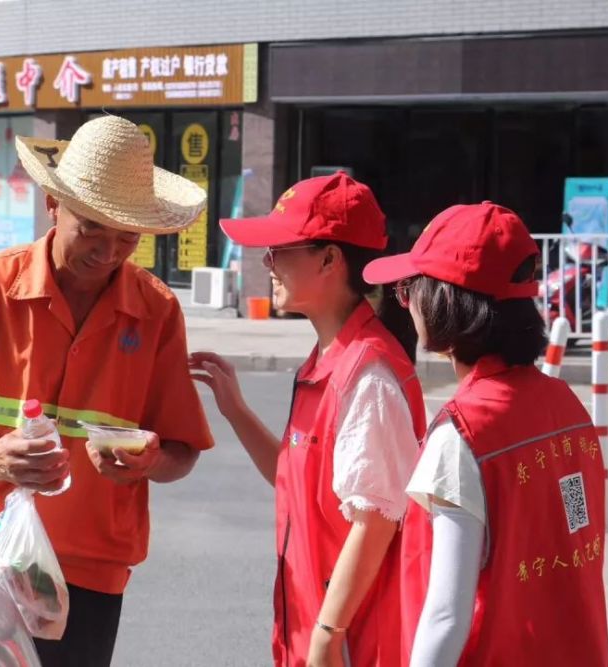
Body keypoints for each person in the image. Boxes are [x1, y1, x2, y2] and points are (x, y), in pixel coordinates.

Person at [0, 115, 214, 667]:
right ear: (52, 205)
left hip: (86, 570)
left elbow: (180, 453)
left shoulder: (158, 310)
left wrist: (147, 463)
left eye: (127, 236)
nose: (109, 250)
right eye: (91, 227)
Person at [191, 172, 426, 667]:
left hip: (351, 646)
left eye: (280, 249)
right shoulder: (330, 359)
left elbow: (377, 520)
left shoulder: (369, 374)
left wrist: (326, 634)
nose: (268, 262)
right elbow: (297, 481)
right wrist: (236, 411)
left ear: (329, 258)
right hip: (315, 636)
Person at [362, 202, 608, 666]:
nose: (407, 301)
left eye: (410, 289)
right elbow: (578, 534)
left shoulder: (463, 433)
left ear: (444, 302)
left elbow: (445, 616)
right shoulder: (567, 407)